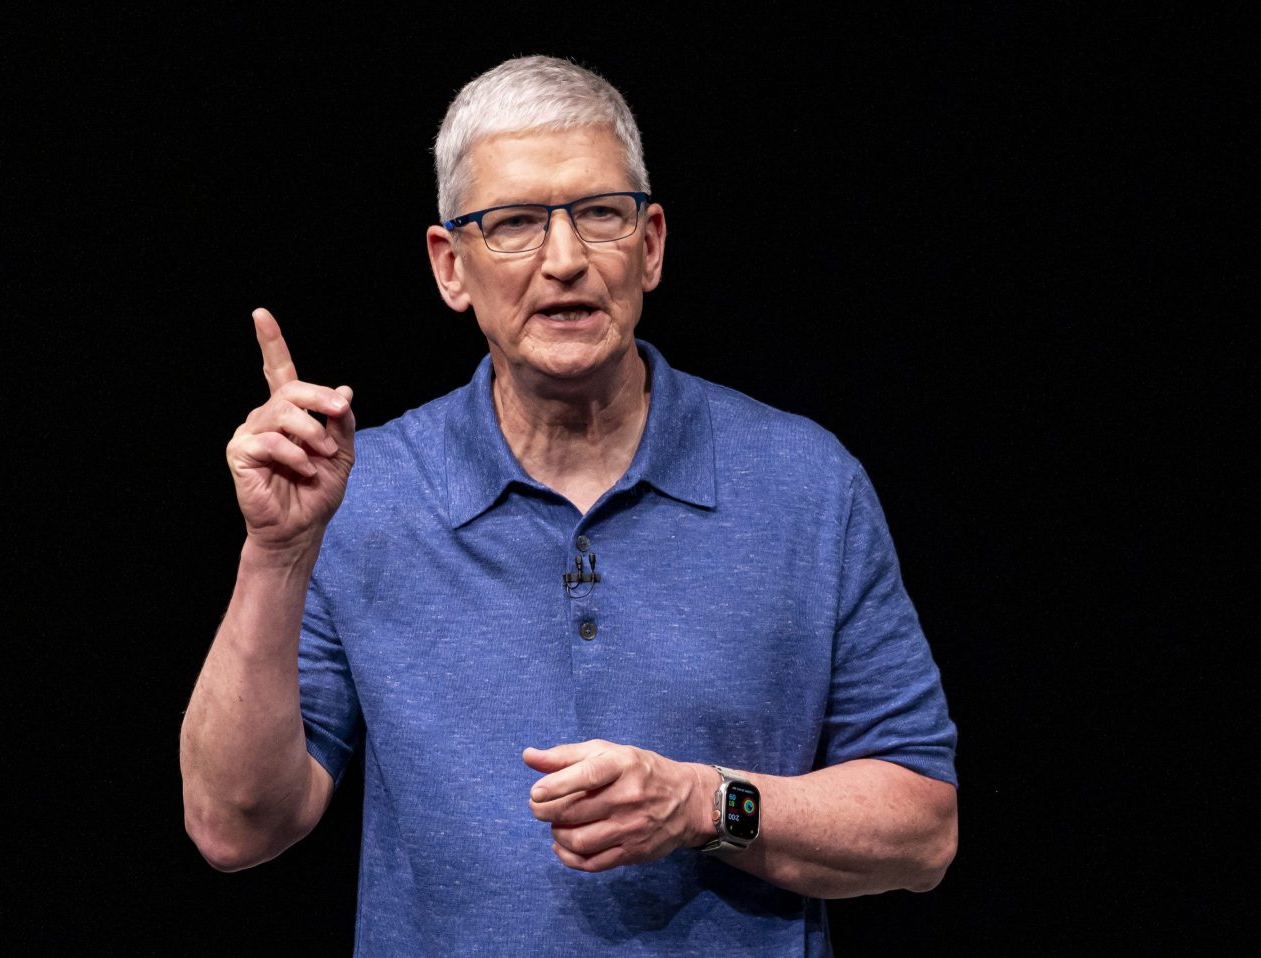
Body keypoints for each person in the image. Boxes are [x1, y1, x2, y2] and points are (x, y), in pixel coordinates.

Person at [180, 55, 957, 956]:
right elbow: (235, 826)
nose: (564, 260)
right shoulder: (363, 494)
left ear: (651, 244)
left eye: (599, 214)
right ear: (450, 267)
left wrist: (705, 805)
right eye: (512, 224)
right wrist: (276, 555)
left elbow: (922, 831)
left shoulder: (806, 485)